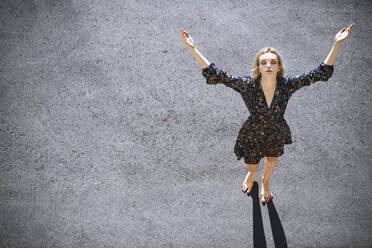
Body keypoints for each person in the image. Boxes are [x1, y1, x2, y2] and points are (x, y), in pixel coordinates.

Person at [180, 24, 354, 205]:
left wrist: (336, 44)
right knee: (252, 163)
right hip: (253, 131)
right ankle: (252, 174)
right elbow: (217, 74)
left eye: (273, 62)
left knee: (272, 158)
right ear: (259, 67)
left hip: (276, 131)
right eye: (264, 62)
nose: (268, 65)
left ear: (279, 67)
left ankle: (265, 182)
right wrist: (193, 48)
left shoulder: (287, 85)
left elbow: (320, 73)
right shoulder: (247, 85)